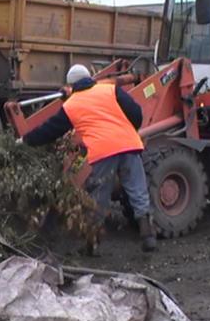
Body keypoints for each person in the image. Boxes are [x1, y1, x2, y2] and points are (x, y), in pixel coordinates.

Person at [20, 64, 157, 254]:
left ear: (71, 85)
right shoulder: (110, 89)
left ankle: (92, 245)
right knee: (138, 190)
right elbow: (136, 112)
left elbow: (50, 130)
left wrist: (25, 140)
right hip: (129, 145)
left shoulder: (71, 105)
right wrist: (129, 130)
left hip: (102, 151)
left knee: (99, 198)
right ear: (90, 77)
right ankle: (148, 235)